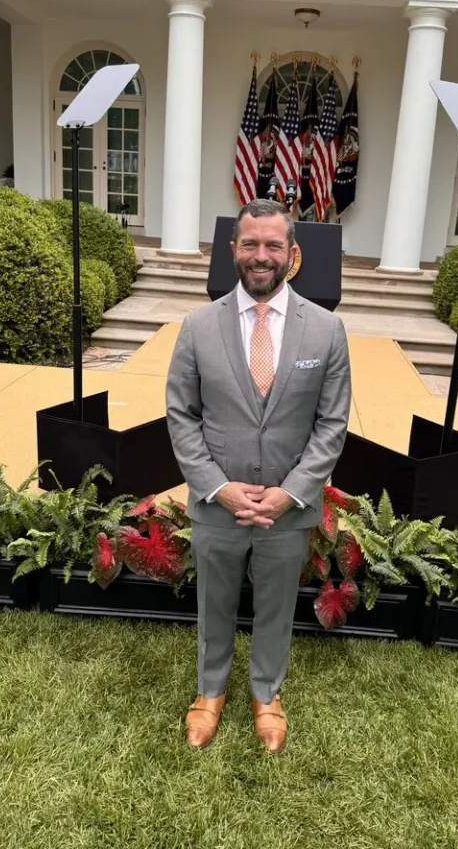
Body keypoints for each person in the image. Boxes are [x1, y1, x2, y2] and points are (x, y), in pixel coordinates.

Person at [165, 199, 351, 753]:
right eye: (250, 244)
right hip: (217, 503)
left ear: (292, 255)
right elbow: (182, 416)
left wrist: (290, 493)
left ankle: (266, 693)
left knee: (275, 604)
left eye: (273, 245)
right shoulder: (197, 328)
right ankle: (209, 691)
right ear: (233, 251)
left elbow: (332, 424)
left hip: (287, 509)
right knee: (214, 601)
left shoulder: (327, 331)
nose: (261, 255)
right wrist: (217, 488)